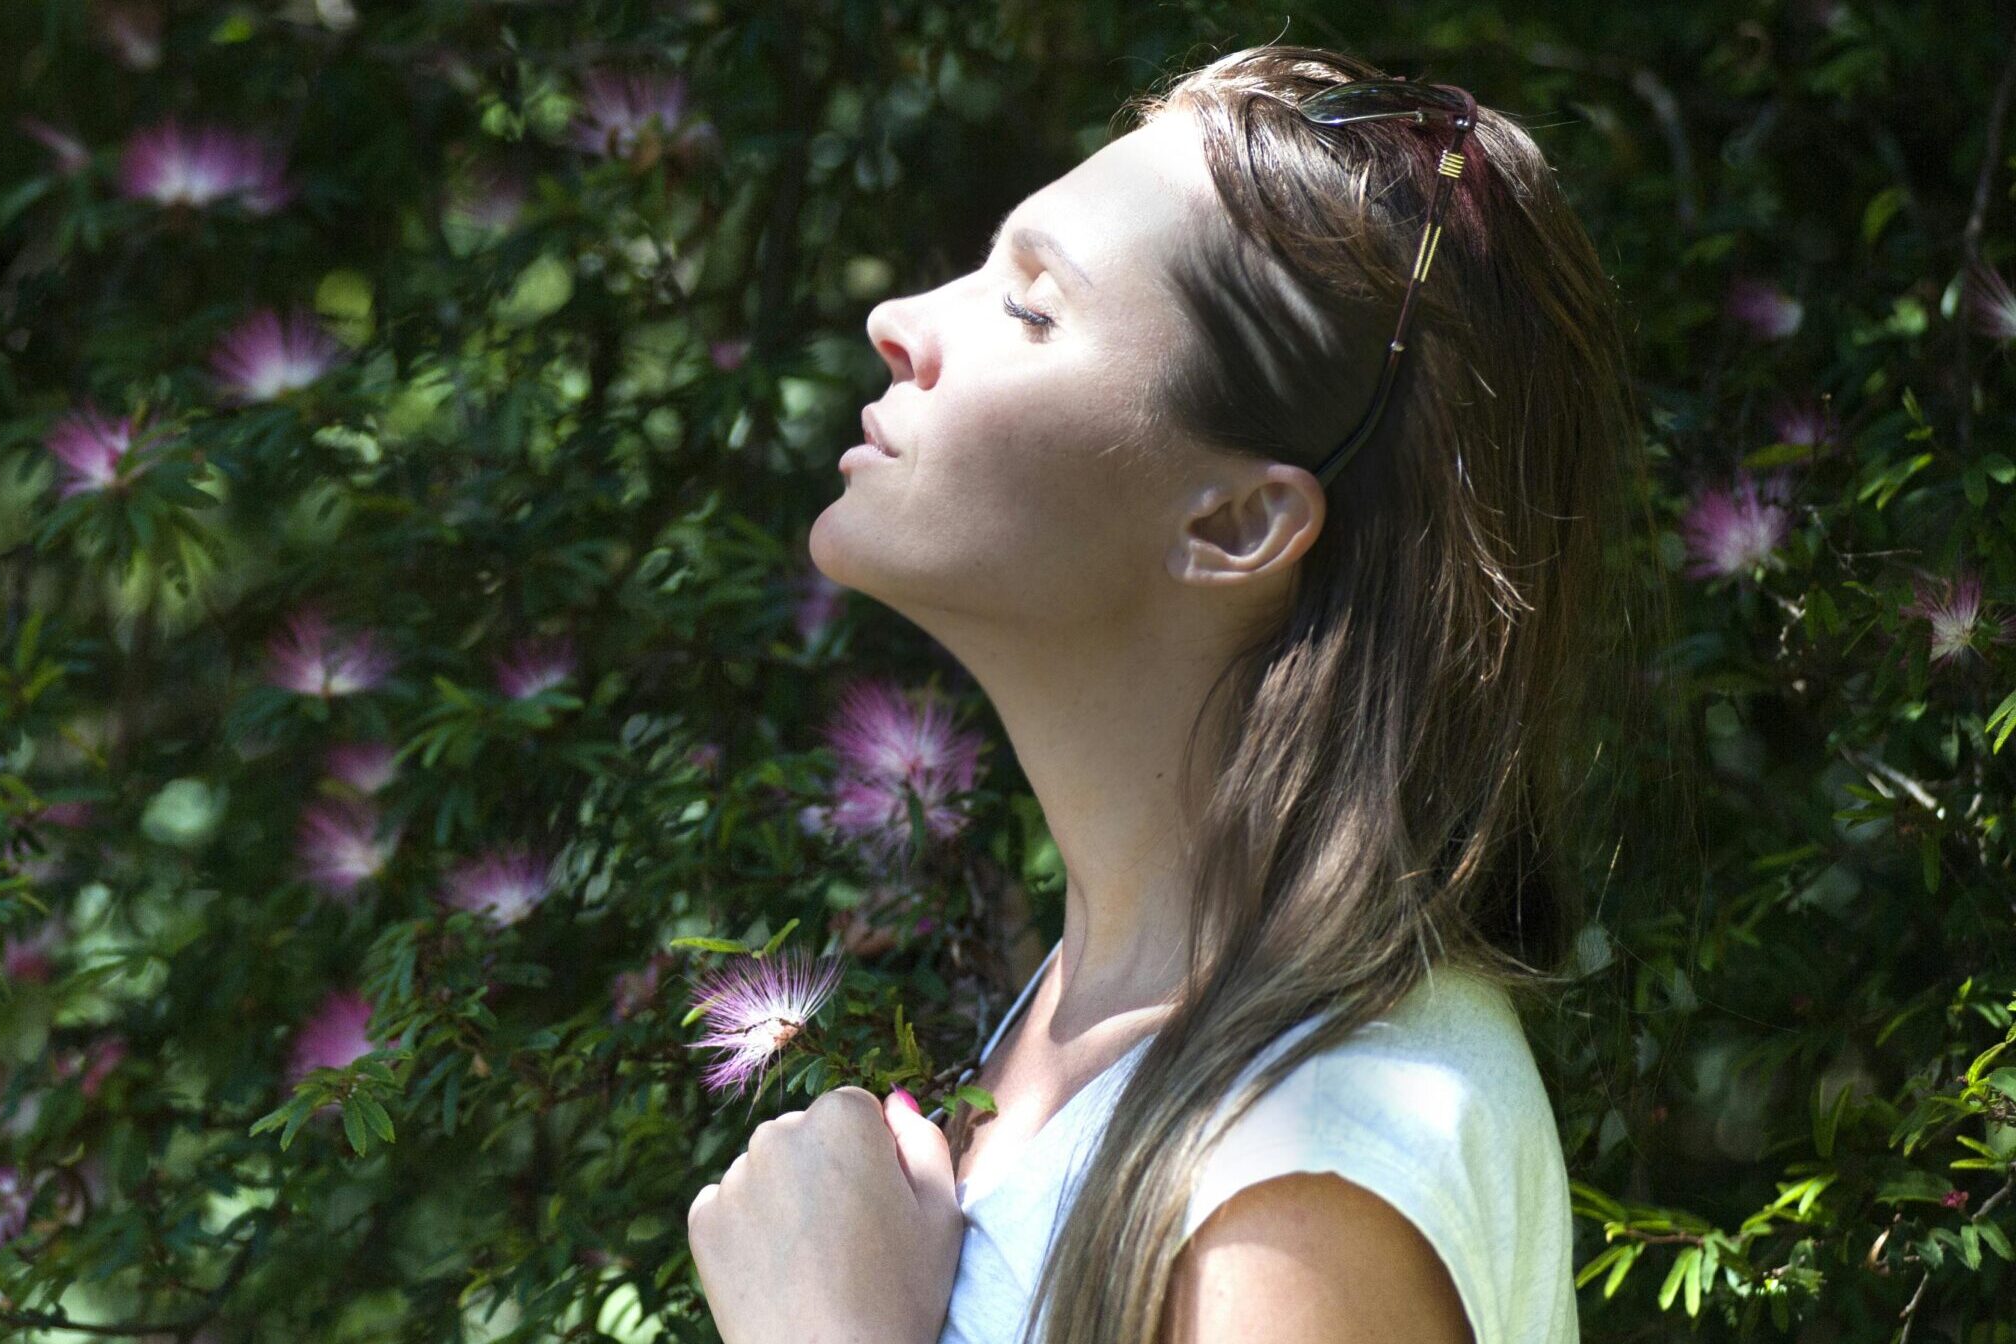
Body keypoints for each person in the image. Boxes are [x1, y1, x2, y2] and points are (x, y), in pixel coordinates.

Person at [685, 41, 1656, 1344]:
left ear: (1242, 523)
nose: (902, 321)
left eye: (1031, 309)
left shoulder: (1304, 1184)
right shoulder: (1109, 1018)